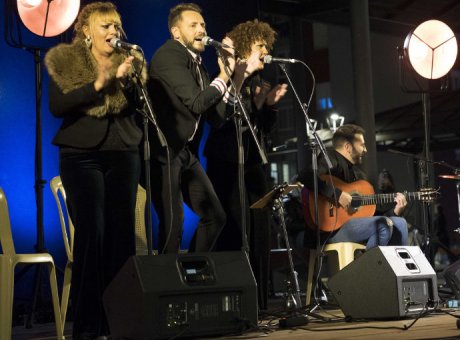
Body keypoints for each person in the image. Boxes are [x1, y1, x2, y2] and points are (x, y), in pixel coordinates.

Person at [45, 2, 146, 338]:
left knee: (122, 238)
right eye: (105, 26)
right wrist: (100, 84)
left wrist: (132, 83)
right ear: (85, 29)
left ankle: (122, 323)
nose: (113, 32)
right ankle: (88, 327)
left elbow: (137, 110)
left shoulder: (128, 60)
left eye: (116, 26)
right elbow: (59, 106)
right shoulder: (65, 59)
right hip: (81, 155)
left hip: (123, 152)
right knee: (93, 234)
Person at [147, 3, 260, 253]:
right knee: (173, 224)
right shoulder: (170, 55)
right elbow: (197, 103)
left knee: (215, 216)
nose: (202, 30)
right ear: (176, 33)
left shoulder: (198, 65)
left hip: (185, 153)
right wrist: (223, 76)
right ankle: (169, 283)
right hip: (164, 151)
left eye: (203, 25)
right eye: (194, 25)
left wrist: (237, 78)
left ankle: (192, 271)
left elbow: (217, 117)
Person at [203, 19, 287, 309]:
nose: (265, 50)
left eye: (266, 45)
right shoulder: (226, 75)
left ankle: (260, 300)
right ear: (245, 47)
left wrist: (269, 105)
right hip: (227, 161)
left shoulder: (259, 83)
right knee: (237, 228)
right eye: (260, 45)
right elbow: (220, 119)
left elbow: (263, 128)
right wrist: (244, 84)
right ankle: (235, 301)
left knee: (260, 227)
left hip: (253, 161)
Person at [298, 124, 409, 249]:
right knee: (382, 225)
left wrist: (394, 212)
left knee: (400, 223)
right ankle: (367, 267)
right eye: (362, 145)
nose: (365, 150)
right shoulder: (330, 158)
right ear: (347, 147)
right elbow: (305, 175)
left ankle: (393, 267)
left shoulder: (360, 176)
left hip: (354, 227)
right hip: (329, 231)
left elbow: (369, 214)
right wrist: (337, 195)